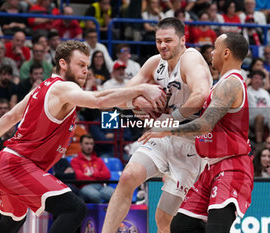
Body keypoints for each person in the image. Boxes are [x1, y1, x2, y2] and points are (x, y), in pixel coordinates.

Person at [0, 40, 165, 233]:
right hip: (16, 166)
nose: (85, 70)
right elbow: (99, 100)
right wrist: (141, 88)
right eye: (80, 65)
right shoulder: (64, 88)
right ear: (63, 64)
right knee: (74, 209)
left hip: (6, 163)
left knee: (11, 223)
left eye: (87, 66)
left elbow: (12, 116)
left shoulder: (42, 88)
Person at [102, 17, 212, 233]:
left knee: (163, 220)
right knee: (127, 177)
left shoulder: (191, 59)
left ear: (182, 40)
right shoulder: (155, 63)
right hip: (162, 138)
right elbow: (119, 97)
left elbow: (201, 94)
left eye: (168, 40)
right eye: (159, 41)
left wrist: (169, 122)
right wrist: (137, 100)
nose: (163, 45)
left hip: (191, 145)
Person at [138, 32, 253, 233]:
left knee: (216, 229)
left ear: (226, 53)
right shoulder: (219, 85)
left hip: (231, 166)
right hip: (210, 167)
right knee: (181, 226)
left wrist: (167, 130)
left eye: (215, 48)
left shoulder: (231, 83)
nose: (211, 53)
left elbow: (205, 124)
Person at [70, 134, 114, 203]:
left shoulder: (98, 160)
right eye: (86, 144)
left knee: (114, 194)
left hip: (100, 186)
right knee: (95, 195)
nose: (89, 146)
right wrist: (98, 176)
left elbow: (107, 175)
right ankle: (102, 213)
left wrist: (91, 174)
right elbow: (79, 177)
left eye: (91, 144)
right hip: (85, 187)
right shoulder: (75, 160)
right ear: (80, 145)